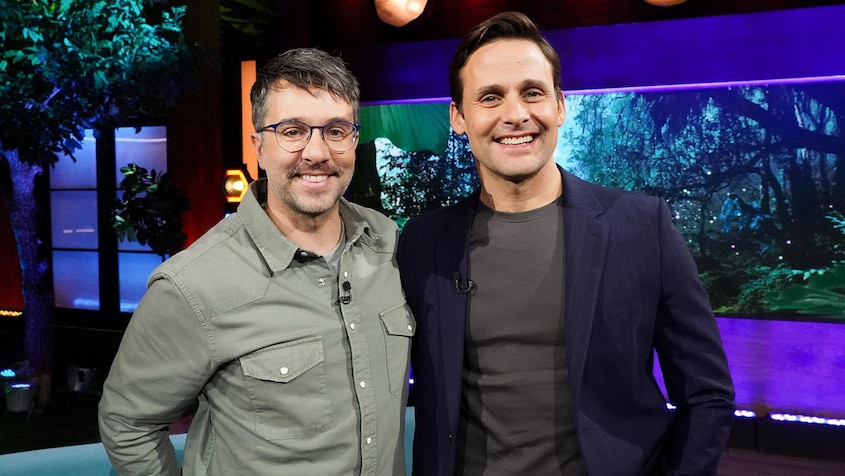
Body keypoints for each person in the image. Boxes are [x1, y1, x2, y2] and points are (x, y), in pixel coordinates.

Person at [397, 11, 735, 476]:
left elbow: (707, 393)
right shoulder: (423, 240)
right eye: (490, 97)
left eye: (532, 93)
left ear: (560, 105)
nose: (515, 115)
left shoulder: (641, 226)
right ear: (458, 117)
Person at [99, 47, 415, 475]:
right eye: (292, 131)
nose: (317, 152)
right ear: (259, 147)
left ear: (354, 140)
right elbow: (128, 424)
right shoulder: (194, 284)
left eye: (336, 130)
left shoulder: (388, 243)